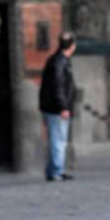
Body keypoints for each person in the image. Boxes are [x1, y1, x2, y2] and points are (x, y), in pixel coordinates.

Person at [39, 32, 77, 181]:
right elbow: (58, 86)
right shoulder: (60, 62)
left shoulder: (57, 60)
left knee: (57, 138)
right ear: (72, 46)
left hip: (52, 106)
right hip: (56, 108)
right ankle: (56, 170)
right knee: (58, 139)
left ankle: (53, 169)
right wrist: (63, 107)